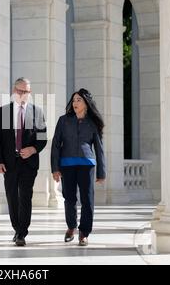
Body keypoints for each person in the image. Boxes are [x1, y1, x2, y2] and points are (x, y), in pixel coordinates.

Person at [0, 78, 47, 246]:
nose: (24, 95)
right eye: (21, 91)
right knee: (11, 197)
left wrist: (33, 149)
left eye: (27, 92)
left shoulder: (37, 112)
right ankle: (17, 228)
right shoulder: (3, 112)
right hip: (9, 163)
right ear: (14, 91)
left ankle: (22, 232)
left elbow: (42, 138)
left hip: (28, 163)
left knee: (25, 196)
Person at [50, 88, 106, 246]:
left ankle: (84, 232)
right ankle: (71, 227)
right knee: (69, 198)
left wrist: (101, 172)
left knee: (87, 199)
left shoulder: (93, 123)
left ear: (86, 103)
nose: (75, 103)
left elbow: (99, 147)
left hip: (86, 164)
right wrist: (55, 168)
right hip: (67, 164)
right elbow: (55, 145)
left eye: (78, 100)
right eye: (74, 100)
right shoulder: (63, 120)